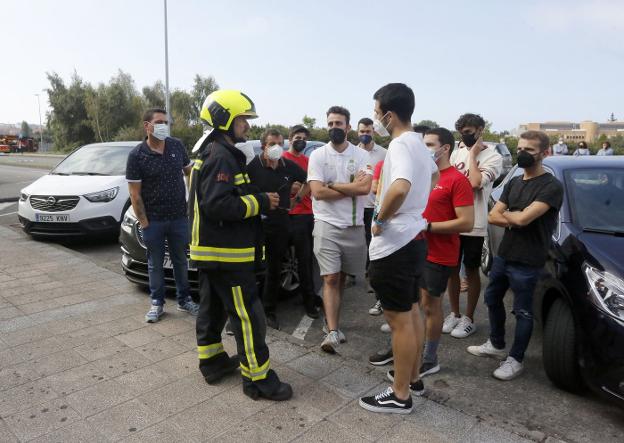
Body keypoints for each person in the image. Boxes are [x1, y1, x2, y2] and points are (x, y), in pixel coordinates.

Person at [189, 90, 292, 401]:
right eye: (243, 119)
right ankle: (259, 379)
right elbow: (217, 205)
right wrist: (260, 201)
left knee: (213, 309)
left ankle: (213, 362)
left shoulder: (216, 152)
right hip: (227, 256)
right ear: (225, 119)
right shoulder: (221, 156)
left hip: (213, 252)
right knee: (248, 316)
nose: (247, 125)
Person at [359, 83, 438, 415]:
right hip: (413, 238)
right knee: (411, 312)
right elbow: (432, 178)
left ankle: (400, 394)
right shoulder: (419, 144)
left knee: (399, 320)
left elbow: (401, 186)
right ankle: (414, 378)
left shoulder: (400, 145)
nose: (375, 117)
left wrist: (380, 216)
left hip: (395, 243)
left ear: (388, 115)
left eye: (377, 111)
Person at [468, 130, 563, 381]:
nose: (522, 154)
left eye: (529, 150)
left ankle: (516, 359)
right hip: (505, 254)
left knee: (523, 311)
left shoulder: (552, 187)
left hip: (529, 259)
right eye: (520, 149)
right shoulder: (514, 181)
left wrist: (513, 217)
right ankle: (496, 344)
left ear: (545, 153)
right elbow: (493, 216)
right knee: (492, 298)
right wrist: (516, 218)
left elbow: (521, 219)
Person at [308, 106, 372, 354]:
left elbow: (364, 189)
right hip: (326, 223)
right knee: (331, 277)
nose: (335, 127)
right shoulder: (318, 155)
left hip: (354, 226)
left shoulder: (362, 156)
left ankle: (331, 319)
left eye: (339, 123)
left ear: (348, 127)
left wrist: (333, 184)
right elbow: (317, 192)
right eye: (331, 123)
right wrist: (348, 186)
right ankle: (333, 332)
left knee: (342, 278)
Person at [126, 108, 199, 323]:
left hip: (178, 218)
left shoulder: (176, 145)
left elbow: (190, 173)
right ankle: (157, 303)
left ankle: (184, 300)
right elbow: (134, 194)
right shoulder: (137, 155)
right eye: (159, 122)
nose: (163, 126)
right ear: (147, 126)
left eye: (166, 122)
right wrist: (145, 223)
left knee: (180, 261)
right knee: (155, 263)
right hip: (154, 221)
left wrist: (190, 205)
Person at [419, 127, 474, 375]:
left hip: (439, 255)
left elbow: (466, 222)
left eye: (430, 144)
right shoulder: (420, 175)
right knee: (413, 306)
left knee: (431, 306)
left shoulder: (456, 180)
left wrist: (429, 226)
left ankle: (429, 359)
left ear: (445, 148)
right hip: (414, 250)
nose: (425, 149)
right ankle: (406, 348)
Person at [247, 128, 312, 329]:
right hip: (255, 224)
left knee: (274, 270)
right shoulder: (252, 166)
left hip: (280, 224)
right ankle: (246, 312)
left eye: (280, 144)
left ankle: (269, 311)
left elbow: (309, 180)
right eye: (272, 144)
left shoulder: (288, 165)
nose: (276, 148)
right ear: (264, 145)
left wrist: (297, 199)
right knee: (250, 269)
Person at [446, 113, 502, 339]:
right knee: (451, 269)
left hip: (474, 222)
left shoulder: (492, 156)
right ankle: (454, 313)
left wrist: (473, 155)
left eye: (469, 131)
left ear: (480, 130)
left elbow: (476, 183)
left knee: (470, 270)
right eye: (462, 132)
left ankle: (469, 318)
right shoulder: (455, 153)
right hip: (451, 221)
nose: (465, 136)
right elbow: (448, 182)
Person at [282, 125, 321, 317]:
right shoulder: (281, 160)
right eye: (297, 137)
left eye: (304, 138)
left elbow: (313, 185)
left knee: (305, 261)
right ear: (289, 140)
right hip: (286, 216)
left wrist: (301, 190)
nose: (301, 140)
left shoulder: (308, 160)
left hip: (306, 214)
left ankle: (309, 300)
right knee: (280, 261)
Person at [357, 117, 387, 315]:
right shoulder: (352, 152)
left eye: (368, 131)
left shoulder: (384, 154)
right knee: (358, 241)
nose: (365, 134)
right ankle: (355, 273)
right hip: (357, 205)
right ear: (357, 132)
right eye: (362, 131)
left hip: (375, 206)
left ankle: (370, 276)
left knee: (373, 242)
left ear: (373, 132)